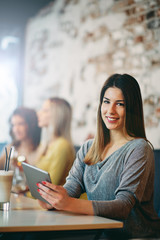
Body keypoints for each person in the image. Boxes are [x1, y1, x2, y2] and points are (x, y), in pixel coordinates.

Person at [36, 74, 160, 239]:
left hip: (136, 236)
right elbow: (71, 189)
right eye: (106, 102)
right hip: (102, 233)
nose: (110, 110)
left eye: (120, 104)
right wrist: (53, 201)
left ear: (131, 108)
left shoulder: (139, 148)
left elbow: (123, 206)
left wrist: (68, 203)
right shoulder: (88, 147)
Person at [35, 97, 75, 185]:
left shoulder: (62, 146)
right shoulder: (45, 144)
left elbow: (50, 186)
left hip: (47, 197)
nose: (38, 113)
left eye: (45, 111)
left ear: (57, 116)